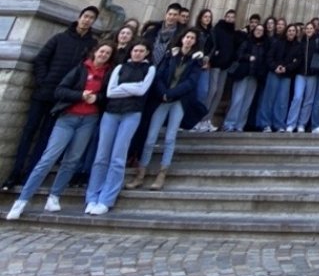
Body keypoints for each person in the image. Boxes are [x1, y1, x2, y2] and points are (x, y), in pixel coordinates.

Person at [6, 41, 114, 219]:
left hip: (89, 119)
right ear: (95, 52)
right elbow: (60, 90)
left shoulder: (107, 74)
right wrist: (80, 95)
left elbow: (106, 96)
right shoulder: (80, 69)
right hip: (68, 118)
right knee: (48, 158)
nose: (103, 55)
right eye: (102, 51)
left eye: (108, 53)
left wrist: (97, 98)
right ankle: (22, 199)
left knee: (72, 160)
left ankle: (54, 195)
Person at [2, 5, 99, 192]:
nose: (87, 20)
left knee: (46, 137)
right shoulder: (59, 38)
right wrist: (43, 81)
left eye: (91, 18)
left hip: (64, 99)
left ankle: (30, 174)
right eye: (85, 16)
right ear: (79, 17)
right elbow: (41, 60)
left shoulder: (90, 46)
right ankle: (14, 173)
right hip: (44, 93)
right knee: (29, 131)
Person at [84, 40, 156, 214]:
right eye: (135, 50)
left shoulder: (150, 69)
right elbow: (110, 92)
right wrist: (130, 88)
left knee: (118, 156)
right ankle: (92, 197)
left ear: (146, 53)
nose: (137, 53)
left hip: (132, 113)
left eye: (141, 50)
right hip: (111, 112)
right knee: (101, 155)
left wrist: (122, 87)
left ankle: (107, 198)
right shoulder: (119, 68)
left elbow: (142, 90)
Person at [127, 30, 202, 190]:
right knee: (151, 137)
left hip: (178, 101)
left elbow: (191, 82)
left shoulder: (196, 60)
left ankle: (162, 174)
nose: (188, 40)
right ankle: (141, 173)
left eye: (192, 38)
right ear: (182, 39)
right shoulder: (170, 55)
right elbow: (159, 75)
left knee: (170, 138)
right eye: (187, 37)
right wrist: (163, 93)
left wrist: (172, 94)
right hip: (163, 99)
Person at [222, 23, 268, 132]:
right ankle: (229, 123)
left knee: (247, 101)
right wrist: (248, 57)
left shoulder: (263, 46)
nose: (259, 32)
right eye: (257, 30)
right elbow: (238, 55)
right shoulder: (247, 42)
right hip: (243, 74)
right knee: (237, 99)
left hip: (254, 76)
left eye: (261, 30)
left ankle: (240, 125)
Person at [285, 21, 319, 133]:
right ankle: (291, 123)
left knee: (308, 101)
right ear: (304, 30)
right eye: (307, 28)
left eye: (311, 28)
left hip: (312, 75)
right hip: (300, 74)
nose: (309, 30)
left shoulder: (317, 43)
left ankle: (302, 124)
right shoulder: (300, 43)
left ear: (314, 30)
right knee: (297, 97)